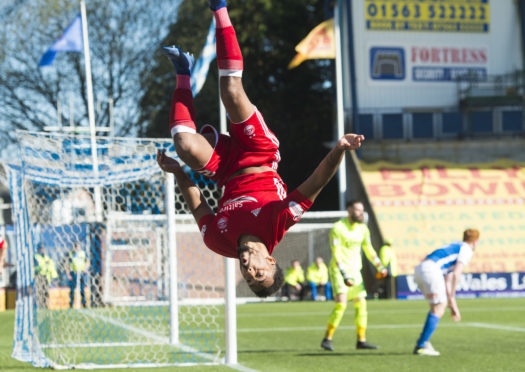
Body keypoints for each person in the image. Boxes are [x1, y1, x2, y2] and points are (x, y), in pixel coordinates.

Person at [156, 0, 365, 297]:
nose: (249, 271)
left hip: (225, 170)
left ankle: (183, 74)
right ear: (269, 259)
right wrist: (340, 148)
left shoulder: (218, 241)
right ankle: (219, 8)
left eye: (249, 278)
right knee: (230, 91)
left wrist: (178, 172)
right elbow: (316, 183)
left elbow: (199, 206)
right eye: (259, 273)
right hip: (260, 154)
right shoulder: (278, 221)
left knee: (185, 145)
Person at [320, 200, 387, 351]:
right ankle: (327, 339)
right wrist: (344, 273)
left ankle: (361, 340)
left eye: (362, 210)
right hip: (340, 270)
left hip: (355, 271)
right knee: (341, 304)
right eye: (357, 210)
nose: (360, 213)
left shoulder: (363, 229)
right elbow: (336, 252)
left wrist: (379, 266)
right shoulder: (338, 227)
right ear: (349, 210)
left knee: (361, 304)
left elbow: (369, 249)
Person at [413, 228, 480, 356]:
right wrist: (453, 298)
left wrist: (452, 303)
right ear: (475, 241)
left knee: (437, 307)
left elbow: (448, 278)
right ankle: (421, 345)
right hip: (431, 270)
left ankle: (423, 341)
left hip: (421, 268)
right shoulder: (467, 249)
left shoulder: (456, 245)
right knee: (438, 308)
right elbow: (456, 274)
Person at [34, 244, 58, 308]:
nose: (42, 250)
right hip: (39, 276)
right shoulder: (36, 257)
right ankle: (39, 305)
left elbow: (51, 267)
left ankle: (44, 305)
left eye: (43, 248)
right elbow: (34, 267)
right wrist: (41, 268)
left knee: (46, 292)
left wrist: (54, 277)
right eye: (41, 248)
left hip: (46, 277)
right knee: (39, 292)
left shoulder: (47, 257)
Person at [67, 243, 89, 309]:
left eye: (78, 247)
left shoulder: (83, 253)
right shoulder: (71, 254)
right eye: (75, 247)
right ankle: (71, 304)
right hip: (73, 273)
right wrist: (68, 274)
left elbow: (88, 262)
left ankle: (84, 304)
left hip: (81, 273)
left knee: (82, 289)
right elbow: (67, 264)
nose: (77, 248)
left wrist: (85, 269)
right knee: (72, 290)